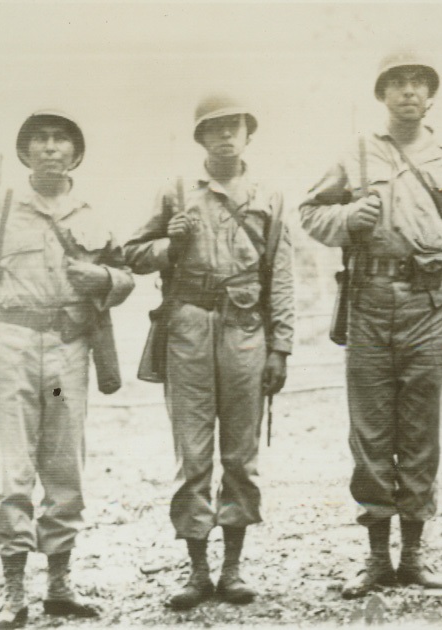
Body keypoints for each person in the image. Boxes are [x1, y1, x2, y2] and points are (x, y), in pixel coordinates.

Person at [299, 49, 442, 599]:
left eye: (418, 83)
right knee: (371, 433)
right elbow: (309, 213)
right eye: (398, 83)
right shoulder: (356, 154)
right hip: (369, 303)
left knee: (421, 432)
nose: (409, 91)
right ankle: (378, 558)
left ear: (430, 95)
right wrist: (346, 218)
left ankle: (414, 556)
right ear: (381, 94)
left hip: (429, 304)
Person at [0, 109, 135, 629]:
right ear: (25, 151)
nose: (51, 147)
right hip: (11, 348)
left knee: (62, 464)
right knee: (14, 469)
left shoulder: (91, 214)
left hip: (66, 351)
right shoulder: (1, 208)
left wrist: (102, 278)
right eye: (41, 139)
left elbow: (125, 275)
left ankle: (58, 585)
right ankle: (13, 594)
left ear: (75, 154)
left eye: (61, 140)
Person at [123, 94, 295, 609]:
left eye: (233, 127)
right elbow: (132, 255)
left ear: (248, 133)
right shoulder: (176, 191)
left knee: (240, 455)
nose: (224, 136)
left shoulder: (268, 194)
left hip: (246, 330)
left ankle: (232, 569)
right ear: (200, 137)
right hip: (188, 330)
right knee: (194, 455)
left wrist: (281, 346)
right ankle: (198, 572)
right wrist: (170, 245)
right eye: (214, 128)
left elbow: (280, 275)